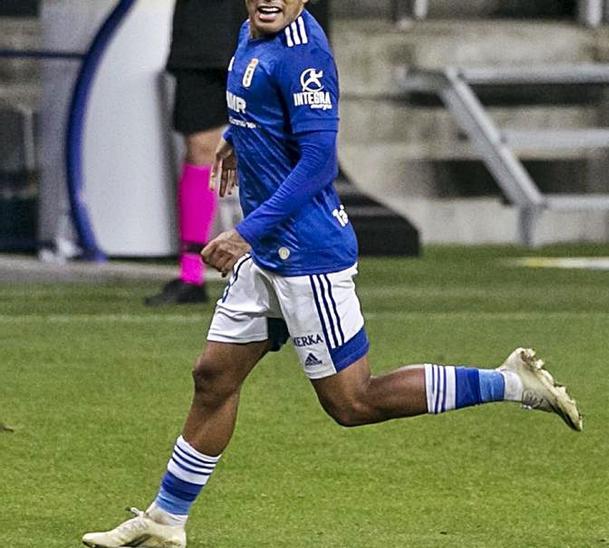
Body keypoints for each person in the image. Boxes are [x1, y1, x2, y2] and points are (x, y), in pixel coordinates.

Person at [82, 2, 582, 546]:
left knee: (353, 402)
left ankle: (513, 383)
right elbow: (268, 111)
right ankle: (165, 521)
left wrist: (246, 231)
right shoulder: (252, 31)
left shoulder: (305, 58)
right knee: (213, 379)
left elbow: (319, 161)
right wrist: (241, 138)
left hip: (307, 255)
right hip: (269, 256)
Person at [146, 0, 249, 306]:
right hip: (202, 36)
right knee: (201, 148)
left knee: (278, 145)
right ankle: (191, 274)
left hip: (268, 30)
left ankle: (290, 265)